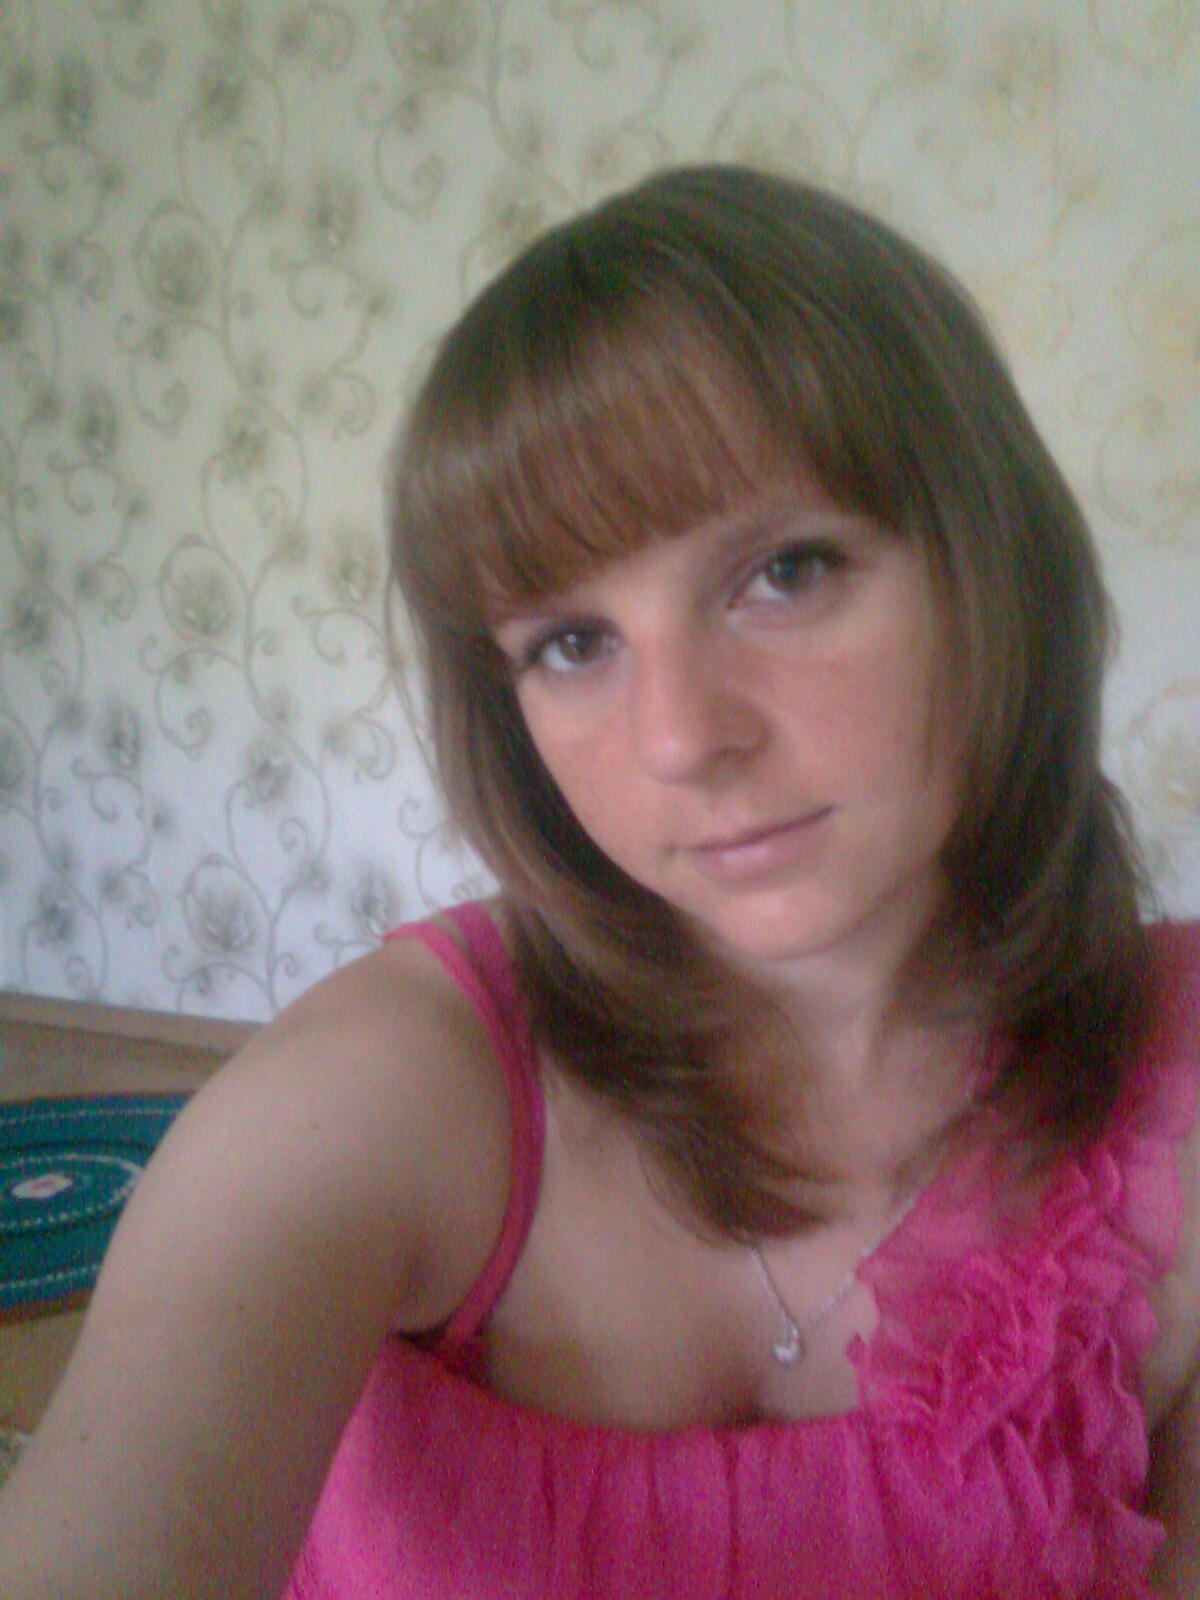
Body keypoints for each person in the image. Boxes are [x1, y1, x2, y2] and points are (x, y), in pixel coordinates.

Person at [0, 165, 1197, 1599]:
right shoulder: (392, 1086)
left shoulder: (1175, 1087)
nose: (681, 738)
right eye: (572, 644)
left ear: (988, 564)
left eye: (786, 571)